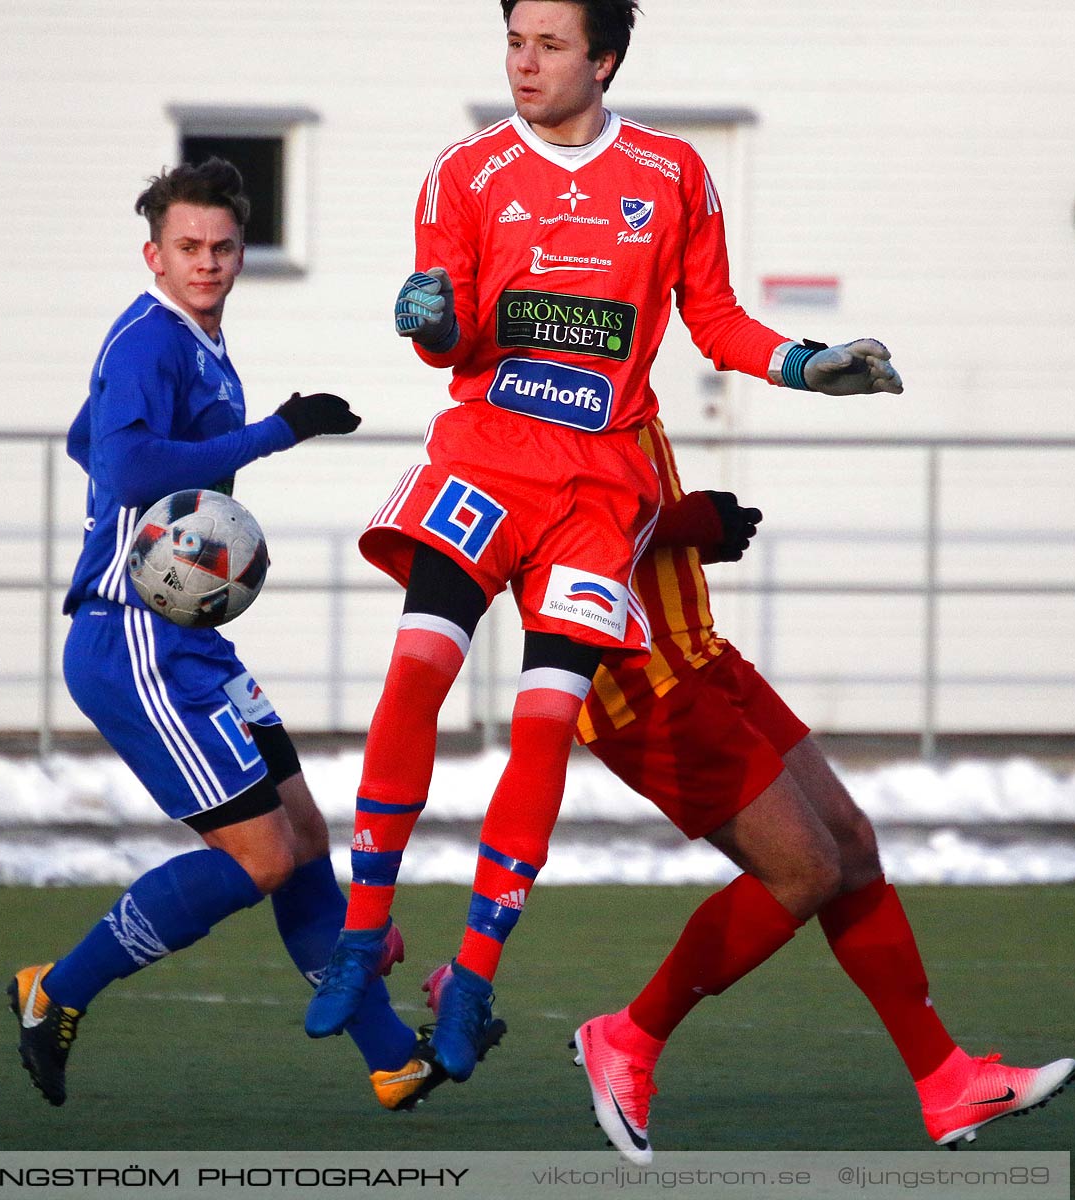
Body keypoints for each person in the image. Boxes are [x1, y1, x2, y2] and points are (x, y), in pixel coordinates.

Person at [304, 0, 902, 1084]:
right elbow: (451, 338)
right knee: (416, 677)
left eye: (550, 46)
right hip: (486, 459)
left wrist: (807, 366)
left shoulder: (671, 174)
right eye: (515, 43)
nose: (524, 65)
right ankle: (360, 940)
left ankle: (474, 978)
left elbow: (714, 321)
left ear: (606, 57)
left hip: (598, 493)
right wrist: (428, 316)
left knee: (541, 732)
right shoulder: (466, 172)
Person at [7, 158, 458, 1114]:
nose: (205, 262)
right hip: (133, 639)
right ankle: (58, 989)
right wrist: (272, 434)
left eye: (220, 247)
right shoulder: (150, 340)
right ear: (154, 254)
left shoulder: (201, 342)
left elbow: (89, 444)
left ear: (240, 251)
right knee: (261, 857)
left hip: (188, 635)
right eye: (187, 248)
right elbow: (124, 465)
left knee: (301, 833)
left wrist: (191, 545)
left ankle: (390, 1057)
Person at [565, 419, 1075, 1162]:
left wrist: (809, 368)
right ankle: (628, 1038)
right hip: (637, 683)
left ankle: (946, 1080)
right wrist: (680, 522)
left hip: (700, 653)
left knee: (851, 844)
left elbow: (624, 512)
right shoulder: (546, 370)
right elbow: (549, 526)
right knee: (805, 871)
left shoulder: (623, 367)